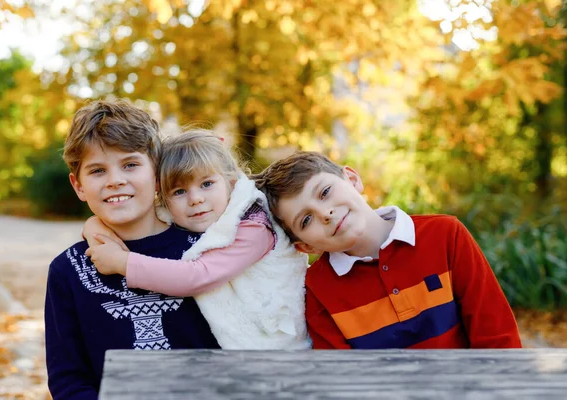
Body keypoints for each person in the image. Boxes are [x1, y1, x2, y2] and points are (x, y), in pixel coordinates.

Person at [251, 151, 522, 349]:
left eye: (324, 193)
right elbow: (340, 380)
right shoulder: (317, 289)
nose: (326, 213)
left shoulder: (445, 235)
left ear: (353, 179)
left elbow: (497, 338)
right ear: (305, 246)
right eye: (306, 220)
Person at [44, 100, 220, 400]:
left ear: (157, 174)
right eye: (98, 170)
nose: (115, 180)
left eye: (130, 164)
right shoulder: (68, 270)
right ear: (79, 186)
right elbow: (68, 379)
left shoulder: (207, 251)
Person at [84, 130, 310, 350]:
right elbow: (140, 217)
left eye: (206, 184)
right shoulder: (199, 213)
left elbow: (198, 275)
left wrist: (123, 263)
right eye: (179, 192)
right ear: (162, 196)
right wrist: (93, 227)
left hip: (283, 349)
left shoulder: (254, 227)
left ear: (231, 183)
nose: (195, 199)